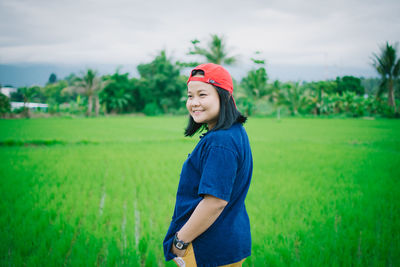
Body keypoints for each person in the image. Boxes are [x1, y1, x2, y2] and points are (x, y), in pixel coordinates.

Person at [163, 63, 253, 267]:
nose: (194, 102)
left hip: (208, 249)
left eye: (202, 94)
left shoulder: (220, 141)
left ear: (223, 96)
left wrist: (180, 242)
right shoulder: (234, 132)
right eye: (190, 95)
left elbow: (215, 202)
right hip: (226, 243)